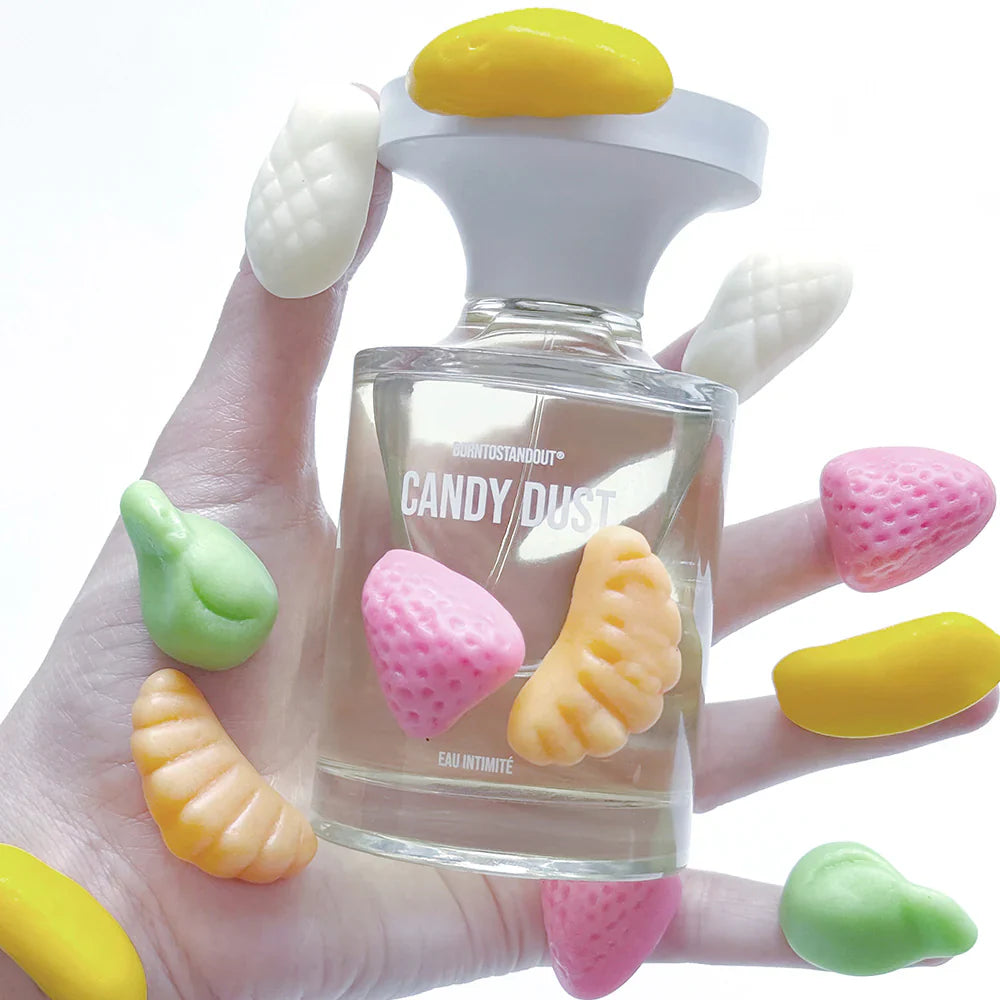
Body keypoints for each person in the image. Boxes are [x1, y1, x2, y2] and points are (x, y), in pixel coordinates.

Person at [0, 162, 994, 1000]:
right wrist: (99, 877)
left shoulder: (432, 392)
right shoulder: (410, 382)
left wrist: (130, 919)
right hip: (324, 803)